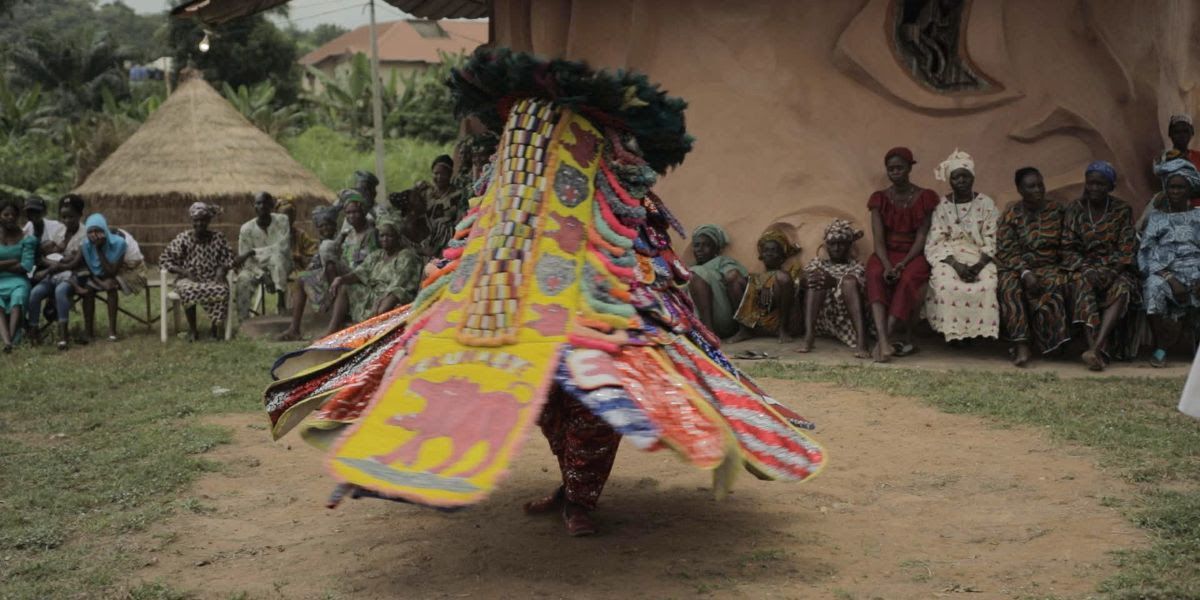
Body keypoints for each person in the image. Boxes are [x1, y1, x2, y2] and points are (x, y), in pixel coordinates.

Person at [262, 49, 824, 537]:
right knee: (542, 400)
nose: (532, 141)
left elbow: (636, 256)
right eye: (522, 132)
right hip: (517, 305)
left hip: (604, 308)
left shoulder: (619, 192)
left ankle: (581, 500)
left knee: (593, 399)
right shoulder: (506, 190)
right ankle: (569, 489)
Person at [865, 146, 939, 362]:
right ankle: (883, 338)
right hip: (886, 253)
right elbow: (878, 240)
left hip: (913, 254)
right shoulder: (879, 199)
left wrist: (903, 263)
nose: (895, 172)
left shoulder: (925, 197)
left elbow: (922, 236)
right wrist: (888, 265)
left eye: (900, 168)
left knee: (907, 279)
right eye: (891, 169)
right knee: (874, 274)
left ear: (909, 169)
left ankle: (882, 341)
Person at [1063, 161, 1139, 371]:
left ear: (1111, 186)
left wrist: (1114, 272)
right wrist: (1086, 269)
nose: (1094, 188)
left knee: (1122, 288)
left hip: (1115, 268)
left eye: (1100, 184)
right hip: (1084, 267)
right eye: (1091, 183)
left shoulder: (1121, 210)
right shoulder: (1074, 209)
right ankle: (1092, 348)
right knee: (1081, 285)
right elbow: (1068, 247)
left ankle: (1096, 348)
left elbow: (1127, 247)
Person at [995, 167, 1072, 366]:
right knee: (1009, 286)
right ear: (1020, 190)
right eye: (1031, 186)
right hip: (1017, 266)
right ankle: (1021, 345)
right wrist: (1025, 272)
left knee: (1053, 283)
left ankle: (1051, 342)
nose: (1038, 190)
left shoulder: (1057, 210)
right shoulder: (1011, 213)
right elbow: (1005, 250)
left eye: (1040, 185)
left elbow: (1068, 243)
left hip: (1049, 264)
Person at [923, 149, 1000, 344]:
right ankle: (955, 333)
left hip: (980, 256)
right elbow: (936, 241)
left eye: (966, 176)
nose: (961, 181)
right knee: (946, 285)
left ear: (973, 177)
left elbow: (993, 237)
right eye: (956, 177)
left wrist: (978, 265)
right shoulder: (942, 206)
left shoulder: (987, 204)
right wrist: (956, 264)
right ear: (950, 180)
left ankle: (978, 334)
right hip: (950, 256)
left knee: (988, 284)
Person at [277, 194, 377, 341]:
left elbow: (370, 265)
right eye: (348, 213)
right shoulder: (348, 234)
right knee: (301, 280)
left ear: (363, 212)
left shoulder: (371, 234)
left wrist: (341, 272)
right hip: (341, 274)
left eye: (355, 212)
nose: (352, 216)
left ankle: (331, 329)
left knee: (329, 256)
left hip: (360, 277)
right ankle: (294, 329)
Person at [1139, 158, 1200, 367]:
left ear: (1189, 189)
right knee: (1152, 287)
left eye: (1180, 187)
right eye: (1171, 187)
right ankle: (1162, 344)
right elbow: (1146, 253)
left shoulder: (1199, 216)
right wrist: (1170, 279)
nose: (1175, 192)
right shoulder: (1157, 218)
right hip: (1167, 274)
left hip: (1197, 273)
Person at [322, 216, 422, 336]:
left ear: (398, 237)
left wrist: (382, 298)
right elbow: (360, 272)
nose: (384, 239)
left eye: (389, 236)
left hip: (394, 294)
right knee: (345, 288)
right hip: (372, 293)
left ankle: (372, 335)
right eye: (381, 236)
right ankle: (331, 330)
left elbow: (399, 283)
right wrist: (341, 279)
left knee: (391, 298)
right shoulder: (378, 255)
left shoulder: (406, 256)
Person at [159, 202, 235, 341]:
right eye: (196, 220)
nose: (200, 223)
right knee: (187, 289)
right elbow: (164, 260)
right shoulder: (183, 238)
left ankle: (214, 329)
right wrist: (185, 272)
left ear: (208, 221)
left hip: (212, 277)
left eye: (203, 220)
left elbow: (229, 258)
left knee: (222, 289)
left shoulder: (218, 238)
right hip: (189, 278)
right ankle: (193, 330)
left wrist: (221, 270)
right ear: (192, 221)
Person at [798, 219, 870, 357]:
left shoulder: (856, 266)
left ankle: (862, 342)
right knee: (816, 278)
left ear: (849, 246)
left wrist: (835, 282)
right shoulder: (818, 263)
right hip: (822, 320)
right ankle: (809, 337)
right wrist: (807, 280)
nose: (836, 248)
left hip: (847, 323)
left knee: (849, 282)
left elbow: (861, 290)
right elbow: (802, 281)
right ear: (826, 246)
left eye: (841, 244)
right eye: (832, 244)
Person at [27, 194, 86, 349]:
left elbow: (75, 263)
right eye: (64, 217)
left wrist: (50, 266)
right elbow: (44, 257)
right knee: (35, 294)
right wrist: (56, 262)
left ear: (80, 215)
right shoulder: (60, 231)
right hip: (54, 274)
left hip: (76, 276)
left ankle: (63, 336)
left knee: (60, 291)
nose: (67, 221)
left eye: (71, 217)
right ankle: (34, 333)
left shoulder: (84, 234)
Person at [730, 224, 803, 343]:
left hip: (782, 322)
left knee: (782, 277)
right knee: (732, 275)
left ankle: (783, 330)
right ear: (761, 256)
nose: (769, 253)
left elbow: (796, 288)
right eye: (766, 250)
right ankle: (744, 329)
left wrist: (770, 283)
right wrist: (762, 285)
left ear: (782, 256)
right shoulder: (755, 278)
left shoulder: (791, 273)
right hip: (757, 323)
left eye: (774, 250)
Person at [233, 191, 291, 320]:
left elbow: (283, 247)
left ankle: (281, 304)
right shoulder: (246, 229)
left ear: (272, 205)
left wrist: (253, 252)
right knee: (243, 280)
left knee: (278, 258)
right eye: (259, 203)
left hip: (280, 263)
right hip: (254, 266)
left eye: (266, 203)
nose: (262, 206)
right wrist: (263, 275)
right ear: (254, 207)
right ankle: (244, 320)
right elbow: (246, 261)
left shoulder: (282, 221)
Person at [688, 223, 748, 339]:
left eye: (706, 245)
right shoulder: (689, 268)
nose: (700, 249)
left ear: (716, 249)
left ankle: (708, 332)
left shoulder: (722, 261)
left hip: (723, 318)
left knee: (696, 273)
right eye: (697, 245)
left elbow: (736, 278)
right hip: (695, 319)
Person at [78, 214, 129, 342]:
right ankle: (88, 332)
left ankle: (112, 331)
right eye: (90, 232)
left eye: (98, 231)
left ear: (105, 230)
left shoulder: (119, 244)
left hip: (117, 273)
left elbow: (112, 271)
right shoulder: (85, 246)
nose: (94, 235)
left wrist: (99, 249)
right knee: (87, 290)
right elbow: (90, 271)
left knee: (111, 287)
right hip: (95, 277)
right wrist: (100, 283)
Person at [0, 198, 35, 352]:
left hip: (19, 281)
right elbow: (19, 263)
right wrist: (13, 261)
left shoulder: (27, 238)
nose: (10, 218)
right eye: (6, 214)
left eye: (13, 215)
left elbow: (26, 266)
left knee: (18, 298)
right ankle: (7, 340)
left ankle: (11, 341)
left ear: (18, 216)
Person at [277, 197, 319, 285]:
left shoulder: (300, 234)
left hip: (298, 271)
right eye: (283, 217)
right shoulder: (273, 235)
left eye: (290, 216)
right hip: (278, 272)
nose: (286, 220)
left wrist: (300, 257)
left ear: (294, 217)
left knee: (315, 279)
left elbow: (313, 252)